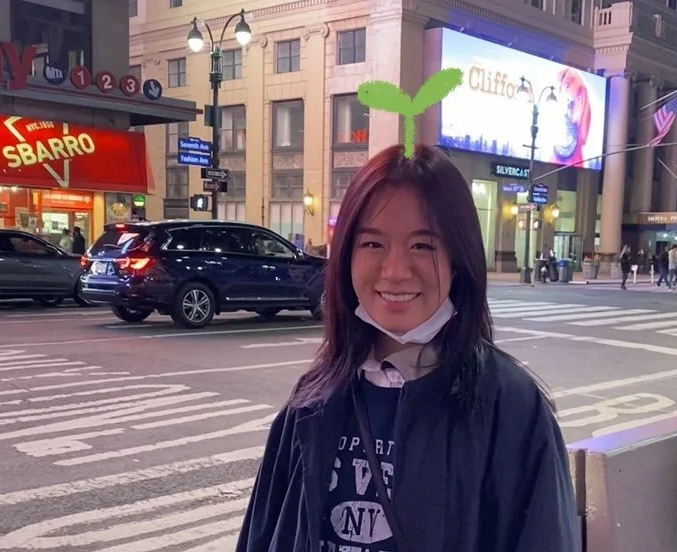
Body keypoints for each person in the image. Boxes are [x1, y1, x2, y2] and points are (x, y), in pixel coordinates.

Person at [236, 144, 579, 552]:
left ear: (458, 260)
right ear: (346, 257)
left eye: (422, 246)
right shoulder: (312, 400)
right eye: (372, 244)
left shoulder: (511, 408)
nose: (396, 271)